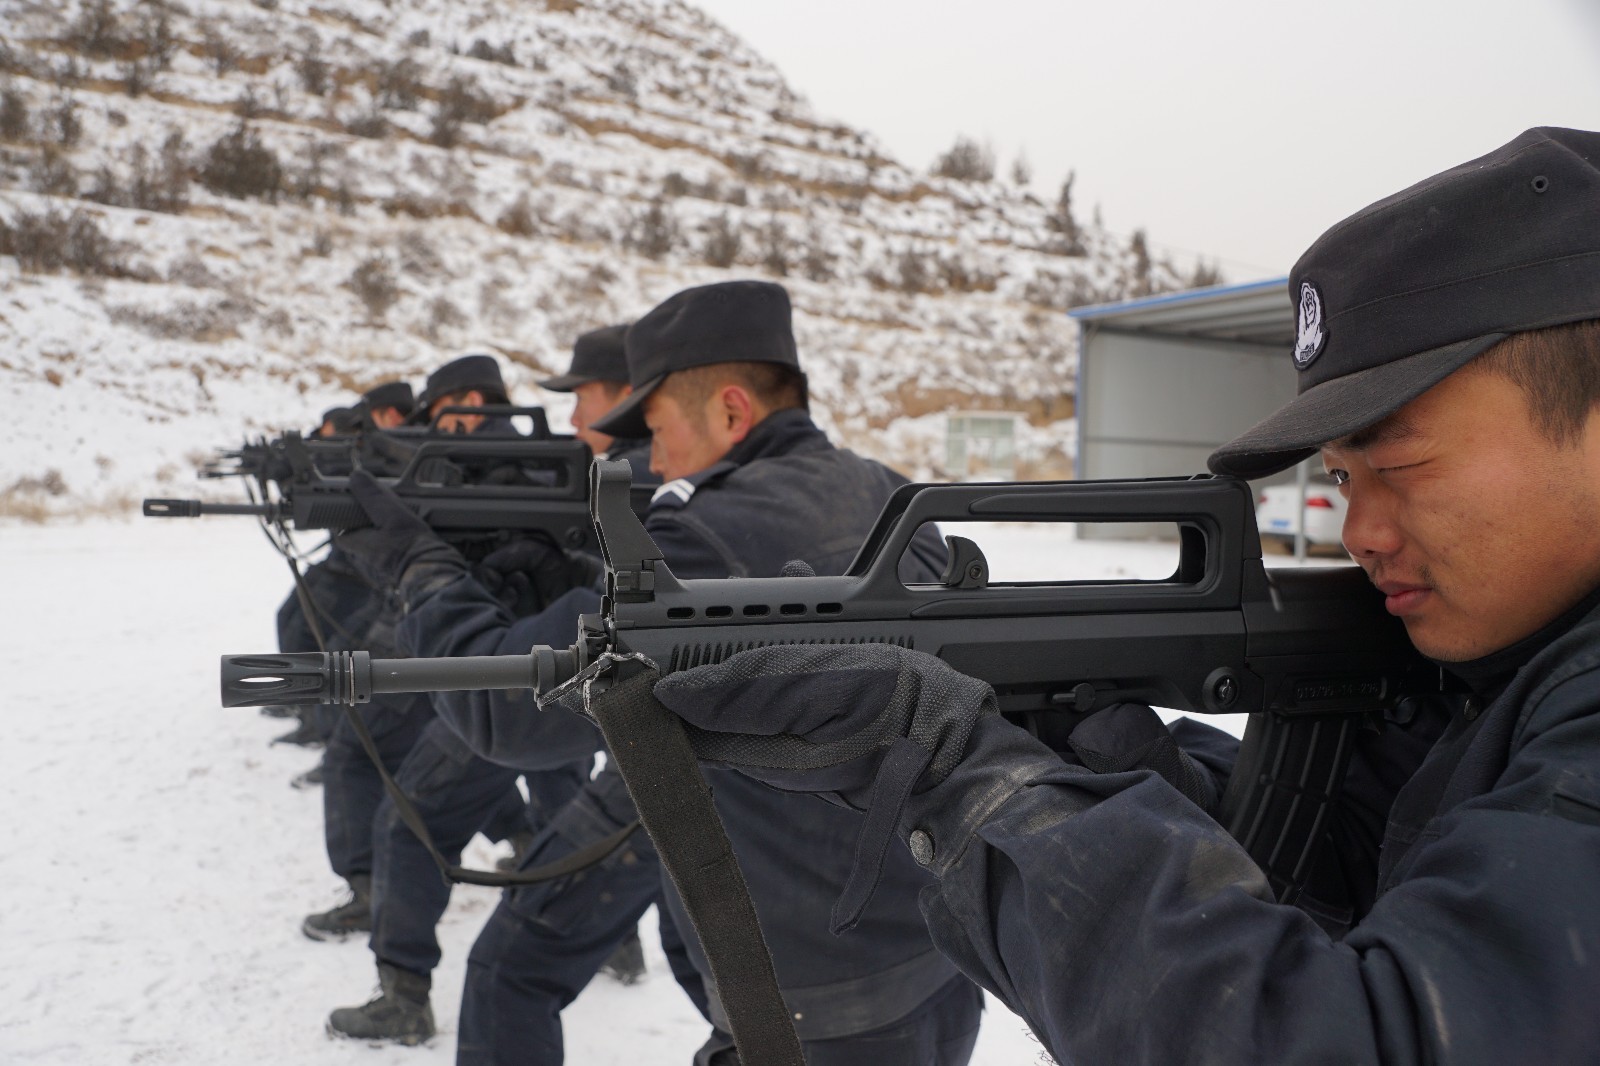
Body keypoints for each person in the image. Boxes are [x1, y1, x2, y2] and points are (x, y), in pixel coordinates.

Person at [636, 127, 1600, 1064]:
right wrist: (1140, 781)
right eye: (1344, 479)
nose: (1360, 534)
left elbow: (1349, 1034)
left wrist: (978, 782)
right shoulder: (1511, 661)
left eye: (1401, 462)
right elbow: (1383, 879)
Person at [324, 335, 655, 1046]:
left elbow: (588, 565)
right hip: (565, 668)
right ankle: (618, 944)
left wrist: (437, 569)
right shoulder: (592, 467)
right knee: (570, 798)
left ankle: (403, 993)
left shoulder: (556, 466)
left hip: (529, 670)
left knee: (412, 815)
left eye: (583, 398)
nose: (570, 419)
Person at [306, 355, 529, 944]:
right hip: (496, 648)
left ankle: (392, 958)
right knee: (547, 782)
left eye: (441, 414)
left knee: (385, 781)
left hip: (484, 649)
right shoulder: (524, 457)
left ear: (471, 405)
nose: (432, 426)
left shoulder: (487, 463)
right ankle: (539, 856)